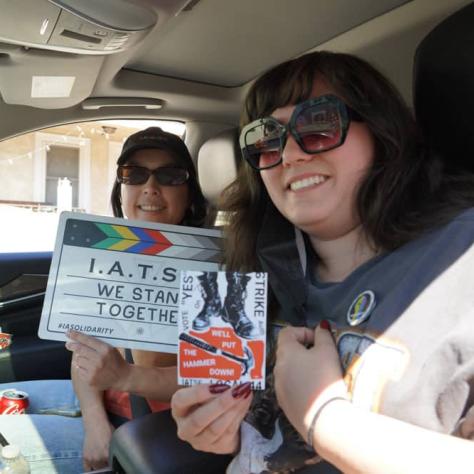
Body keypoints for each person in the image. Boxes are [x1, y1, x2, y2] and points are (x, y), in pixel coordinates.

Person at [170, 51, 474, 474]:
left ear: (382, 133)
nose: (290, 154)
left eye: (318, 124)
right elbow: (254, 438)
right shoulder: (244, 278)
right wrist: (218, 429)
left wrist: (326, 419)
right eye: (266, 138)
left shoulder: (462, 257)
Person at [0, 126, 207, 473]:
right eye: (134, 174)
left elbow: (216, 377)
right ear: (121, 188)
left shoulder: (214, 266)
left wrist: (126, 376)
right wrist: (96, 425)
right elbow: (85, 353)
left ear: (190, 192)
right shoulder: (105, 251)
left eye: (170, 175)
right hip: (103, 408)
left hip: (159, 430)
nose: (150, 187)